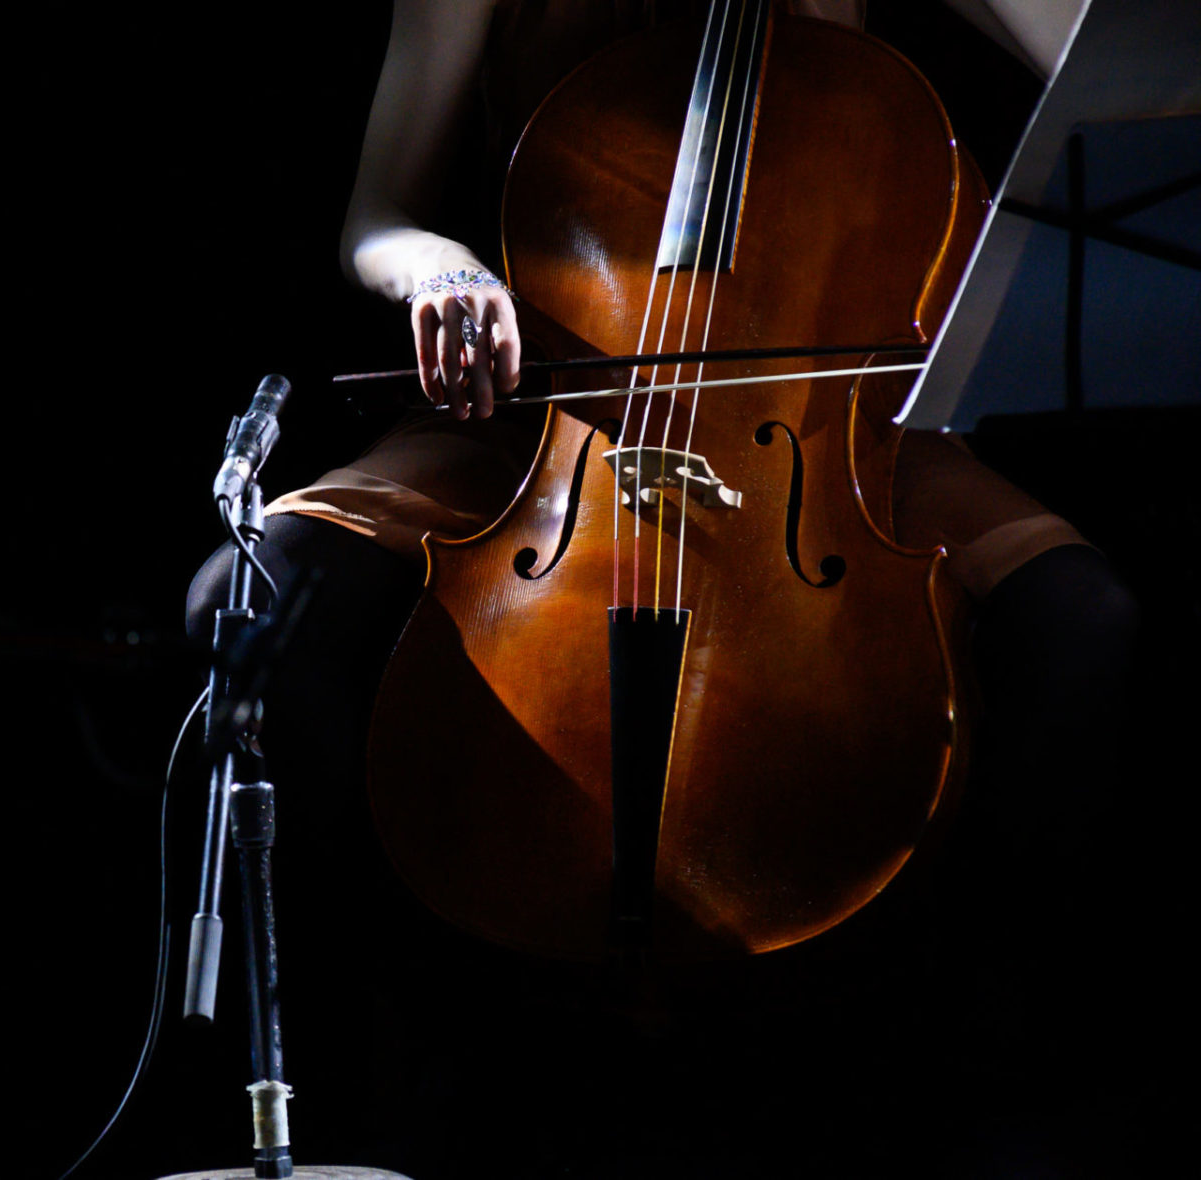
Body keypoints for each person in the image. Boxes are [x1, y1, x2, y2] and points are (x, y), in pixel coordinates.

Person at [187, 2, 1138, 1171]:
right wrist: (445, 272)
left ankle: (988, 1092)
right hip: (542, 418)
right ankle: (367, 1077)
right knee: (257, 597)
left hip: (826, 426)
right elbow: (379, 216)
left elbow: (1121, 78)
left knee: (1082, 623)